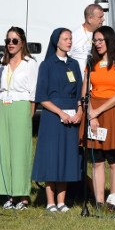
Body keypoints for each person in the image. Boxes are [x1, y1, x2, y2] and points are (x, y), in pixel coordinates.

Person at [32, 28, 83, 213]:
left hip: (72, 117)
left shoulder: (74, 64)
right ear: (56, 41)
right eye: (65, 39)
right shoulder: (46, 65)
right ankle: (50, 201)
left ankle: (62, 201)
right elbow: (42, 97)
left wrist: (79, 111)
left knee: (67, 157)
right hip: (53, 117)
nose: (69, 42)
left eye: (70, 39)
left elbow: (79, 93)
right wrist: (61, 113)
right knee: (52, 157)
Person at [82, 25, 115, 212]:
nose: (97, 43)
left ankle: (114, 200)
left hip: (111, 112)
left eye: (101, 40)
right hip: (93, 112)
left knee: (113, 159)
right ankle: (99, 200)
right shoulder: (91, 63)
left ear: (110, 40)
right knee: (97, 160)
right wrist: (91, 113)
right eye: (95, 40)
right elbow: (85, 91)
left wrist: (98, 111)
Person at [0, 27, 38, 210]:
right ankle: (9, 194)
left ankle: (22, 196)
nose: (11, 44)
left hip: (21, 106)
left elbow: (33, 93)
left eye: (14, 40)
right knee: (4, 150)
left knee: (20, 151)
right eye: (8, 41)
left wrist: (29, 114)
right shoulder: (2, 63)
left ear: (22, 42)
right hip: (3, 106)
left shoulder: (30, 63)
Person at [70, 3, 105, 75]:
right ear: (90, 19)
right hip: (79, 81)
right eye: (100, 17)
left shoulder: (102, 34)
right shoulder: (74, 35)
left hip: (97, 80)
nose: (103, 19)